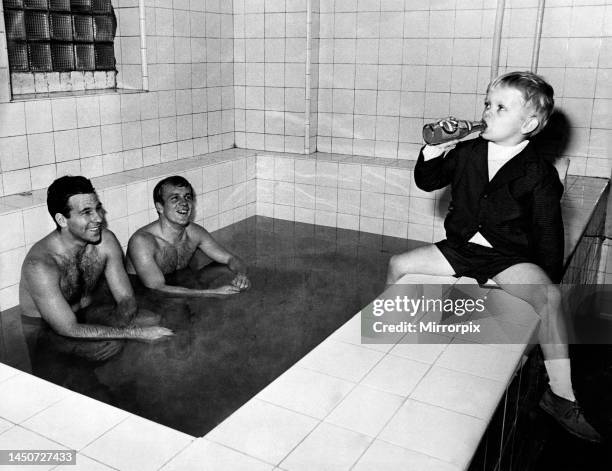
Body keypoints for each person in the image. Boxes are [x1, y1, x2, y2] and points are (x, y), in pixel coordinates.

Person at [387, 71, 601, 442]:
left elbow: (550, 237)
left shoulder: (539, 173)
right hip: (461, 249)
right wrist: (435, 147)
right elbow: (428, 180)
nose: (488, 112)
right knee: (398, 265)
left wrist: (541, 285)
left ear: (528, 123)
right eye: (488, 103)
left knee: (549, 298)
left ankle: (561, 396)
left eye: (501, 107)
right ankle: (393, 342)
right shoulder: (468, 151)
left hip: (508, 258)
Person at [20, 176, 174, 361]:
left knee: (151, 320)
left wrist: (121, 330)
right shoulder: (40, 266)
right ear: (62, 220)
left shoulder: (105, 241)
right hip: (47, 331)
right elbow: (67, 328)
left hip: (86, 314)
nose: (99, 218)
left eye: (97, 208)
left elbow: (126, 298)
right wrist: (133, 334)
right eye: (87, 212)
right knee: (103, 345)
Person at [126, 176, 250, 296]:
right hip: (144, 296)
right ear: (160, 207)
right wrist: (213, 292)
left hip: (177, 286)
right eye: (175, 198)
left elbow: (230, 259)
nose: (184, 203)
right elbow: (157, 288)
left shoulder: (194, 233)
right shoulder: (142, 242)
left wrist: (241, 275)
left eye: (187, 197)